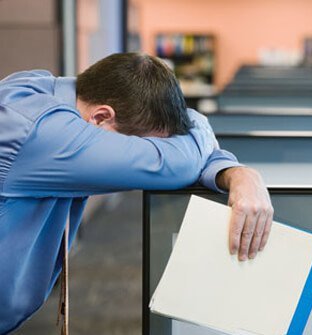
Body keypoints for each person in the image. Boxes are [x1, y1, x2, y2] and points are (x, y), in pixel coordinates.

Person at [0, 53, 273, 334]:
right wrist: (202, 129)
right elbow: (178, 164)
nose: (150, 156)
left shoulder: (43, 90)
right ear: (101, 118)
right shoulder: (41, 134)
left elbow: (187, 147)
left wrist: (236, 172)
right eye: (147, 148)